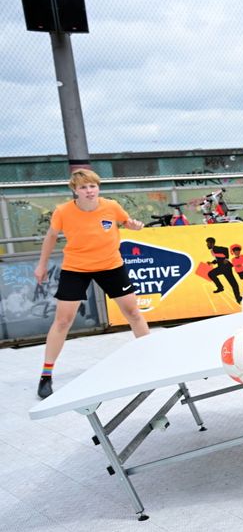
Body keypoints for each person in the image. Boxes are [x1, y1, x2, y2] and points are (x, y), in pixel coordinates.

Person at [34, 169, 150, 399]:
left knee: (133, 313)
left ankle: (152, 359)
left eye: (92, 186)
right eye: (83, 187)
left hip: (111, 265)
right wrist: (42, 265)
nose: (89, 191)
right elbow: (50, 237)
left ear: (98, 188)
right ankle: (46, 375)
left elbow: (125, 221)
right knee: (63, 320)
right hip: (76, 268)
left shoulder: (111, 206)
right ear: (75, 191)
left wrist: (133, 225)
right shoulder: (63, 212)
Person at [205, 237, 241, 304]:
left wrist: (226, 259)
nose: (207, 245)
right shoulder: (213, 251)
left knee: (233, 283)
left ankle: (237, 298)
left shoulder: (216, 248)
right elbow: (218, 258)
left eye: (208, 243)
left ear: (211, 243)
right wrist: (212, 263)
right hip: (222, 267)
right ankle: (221, 287)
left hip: (226, 267)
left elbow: (226, 249)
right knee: (211, 274)